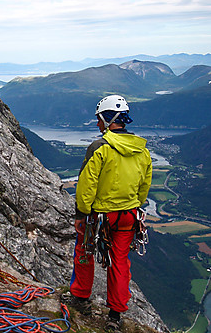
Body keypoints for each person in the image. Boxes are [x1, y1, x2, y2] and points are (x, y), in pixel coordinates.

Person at [67, 95, 152, 332]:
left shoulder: (100, 147)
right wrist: (133, 204)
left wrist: (81, 214)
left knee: (84, 251)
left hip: (100, 216)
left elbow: (86, 185)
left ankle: (81, 298)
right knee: (120, 261)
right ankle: (115, 315)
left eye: (99, 120)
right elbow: (144, 188)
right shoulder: (142, 151)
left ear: (107, 119)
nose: (97, 125)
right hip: (128, 216)